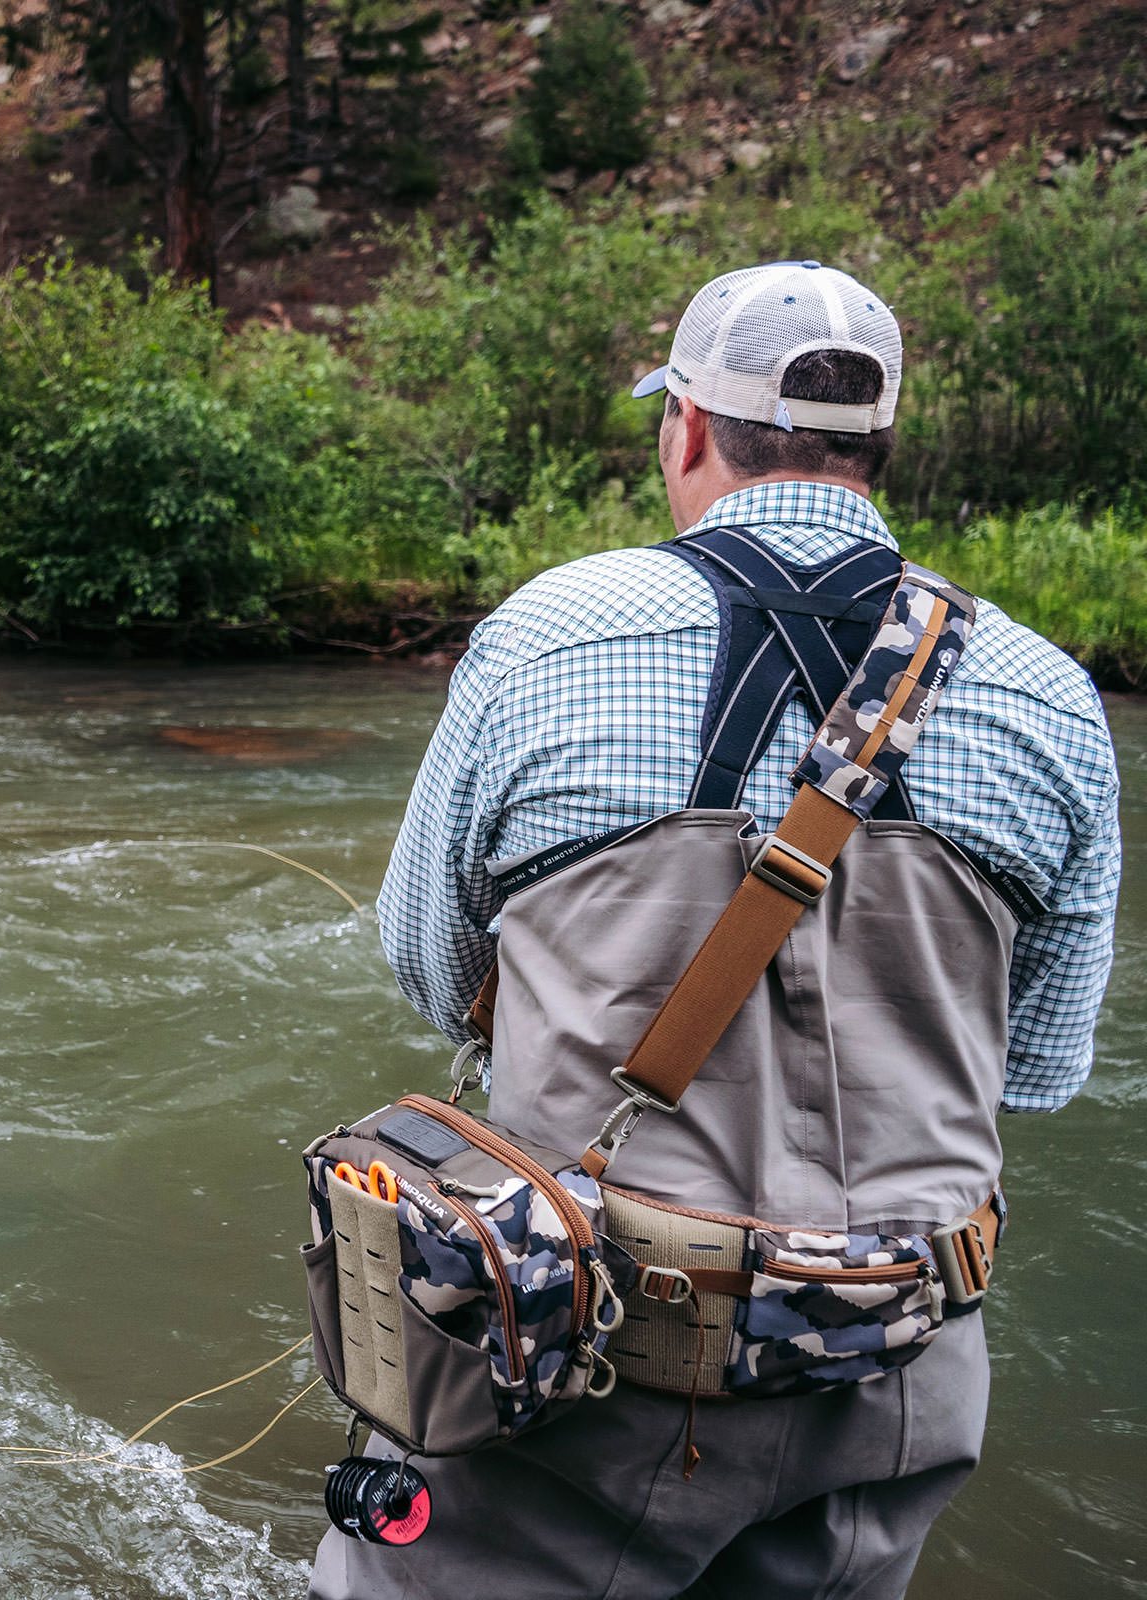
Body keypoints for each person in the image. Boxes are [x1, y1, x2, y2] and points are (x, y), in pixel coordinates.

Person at [309, 261, 1120, 1600]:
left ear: (685, 427)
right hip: (897, 1377)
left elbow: (428, 963)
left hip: (581, 1366)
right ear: (881, 447)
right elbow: (1033, 1067)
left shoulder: (547, 636)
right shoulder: (1050, 695)